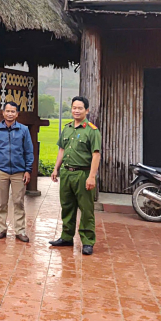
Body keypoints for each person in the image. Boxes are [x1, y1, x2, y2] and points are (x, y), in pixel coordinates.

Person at [49, 96, 102, 255]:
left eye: (80, 108)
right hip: (67, 173)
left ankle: (87, 241)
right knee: (67, 206)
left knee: (86, 209)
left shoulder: (92, 130)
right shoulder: (67, 128)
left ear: (87, 110)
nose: (76, 111)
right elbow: (62, 150)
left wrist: (91, 176)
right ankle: (66, 237)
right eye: (74, 108)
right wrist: (56, 168)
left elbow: (96, 155)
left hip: (82, 174)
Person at [0, 101, 34, 242]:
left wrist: (28, 170)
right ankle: (2, 228)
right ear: (3, 113)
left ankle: (20, 230)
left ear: (17, 114)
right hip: (1, 170)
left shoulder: (23, 130)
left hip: (19, 172)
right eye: (7, 111)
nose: (10, 114)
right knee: (1, 202)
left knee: (18, 202)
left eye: (13, 111)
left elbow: (29, 151)